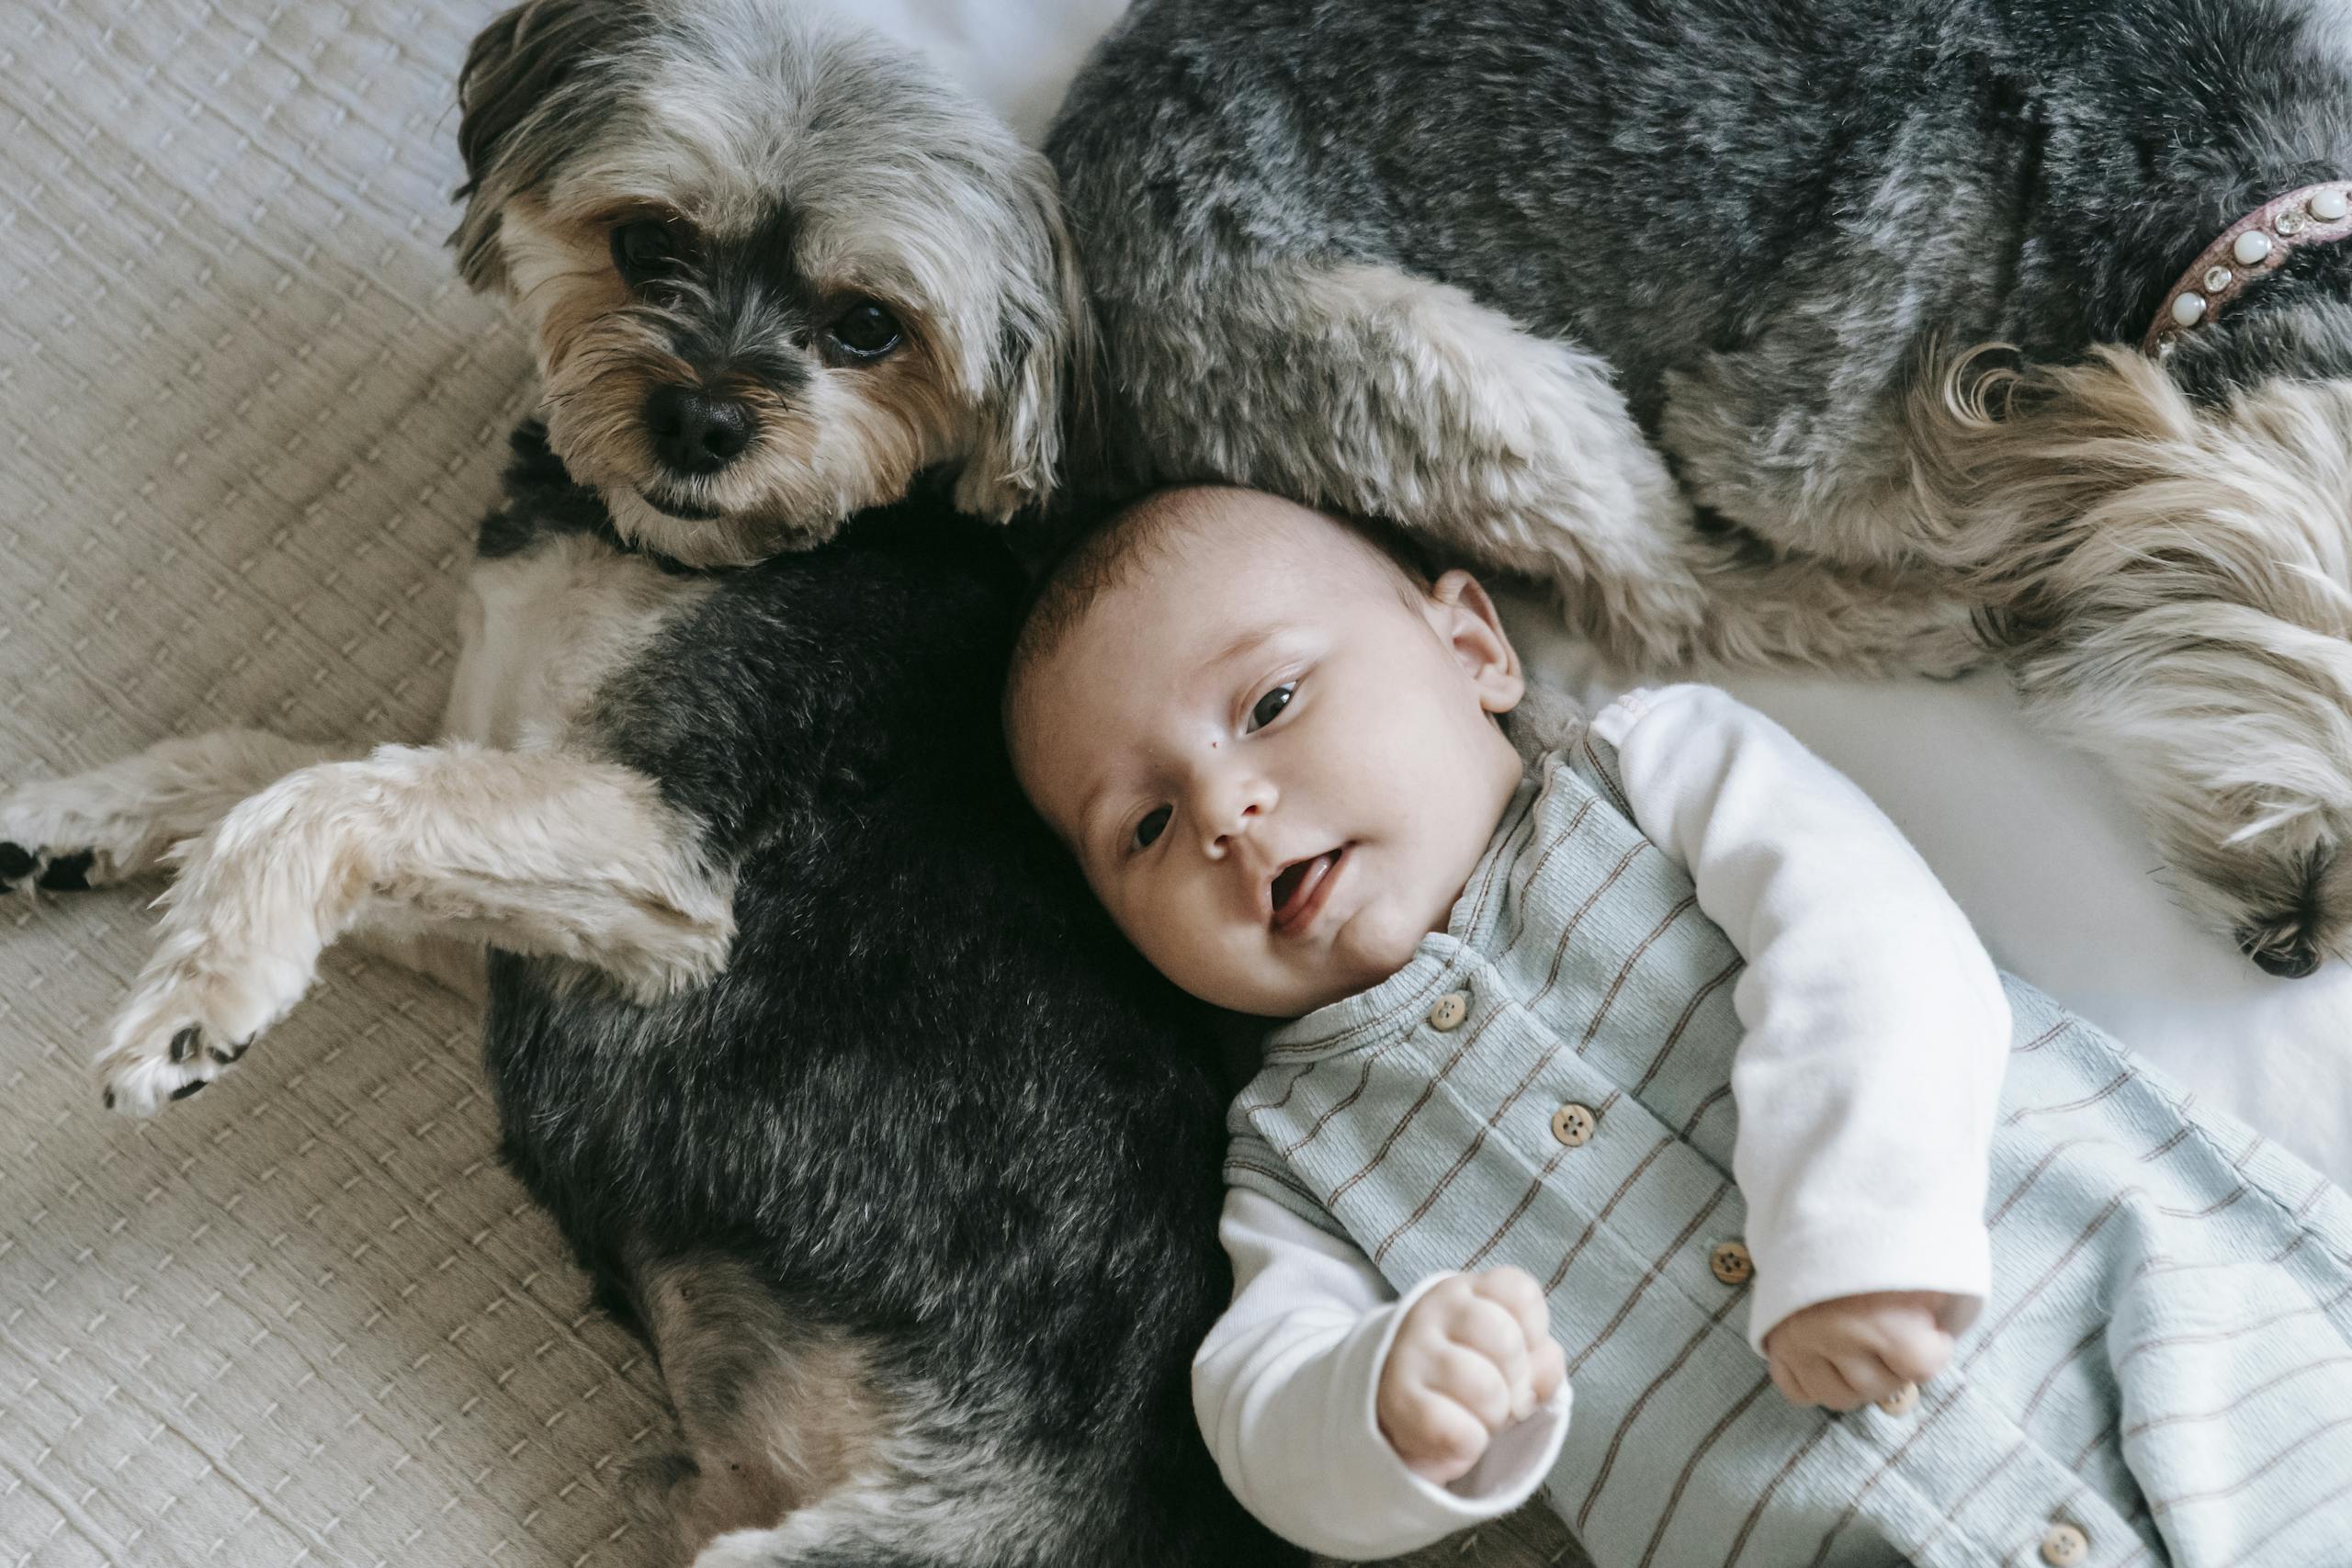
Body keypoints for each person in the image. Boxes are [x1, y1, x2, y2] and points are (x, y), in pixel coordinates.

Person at [1002, 486, 2352, 1568]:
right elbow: (1256, 1411)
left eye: (1272, 704)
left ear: (1471, 647)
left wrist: (1861, 1226)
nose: (1229, 808)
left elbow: (1866, 936)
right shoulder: (1293, 1162)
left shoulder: (1659, 771)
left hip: (2175, 1344)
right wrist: (1385, 1407)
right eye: (1146, 826)